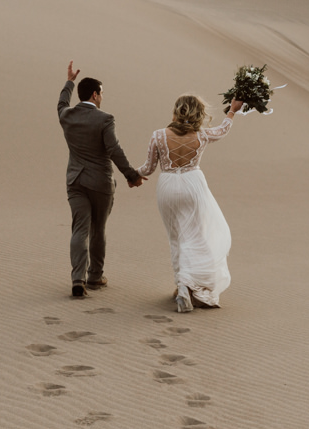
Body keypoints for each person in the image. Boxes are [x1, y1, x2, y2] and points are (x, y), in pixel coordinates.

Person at [135, 94, 245, 313]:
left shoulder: (158, 135)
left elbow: (147, 169)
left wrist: (130, 174)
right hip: (193, 186)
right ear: (198, 113)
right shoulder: (202, 135)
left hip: (167, 186)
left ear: (176, 111)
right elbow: (223, 129)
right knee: (196, 236)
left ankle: (181, 286)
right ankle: (191, 286)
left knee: (175, 237)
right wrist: (232, 110)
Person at [57, 61, 142, 299]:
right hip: (100, 183)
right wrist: (131, 175)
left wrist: (69, 81)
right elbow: (113, 149)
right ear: (95, 95)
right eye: (102, 93)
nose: (103, 97)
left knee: (80, 229)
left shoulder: (66, 116)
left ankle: (77, 279)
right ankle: (95, 276)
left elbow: (62, 103)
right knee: (98, 229)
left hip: (75, 181)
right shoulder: (105, 119)